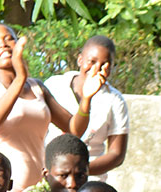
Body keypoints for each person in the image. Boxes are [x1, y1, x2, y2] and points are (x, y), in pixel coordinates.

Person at [0, 23, 99, 192]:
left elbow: (73, 129)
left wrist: (86, 100)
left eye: (9, 39)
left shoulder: (37, 87)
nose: (3, 45)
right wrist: (20, 79)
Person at [43, 35, 129, 180]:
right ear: (80, 60)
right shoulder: (55, 86)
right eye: (92, 62)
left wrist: (79, 170)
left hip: (90, 180)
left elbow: (117, 154)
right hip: (50, 175)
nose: (96, 69)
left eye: (104, 64)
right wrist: (55, 169)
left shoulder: (115, 100)